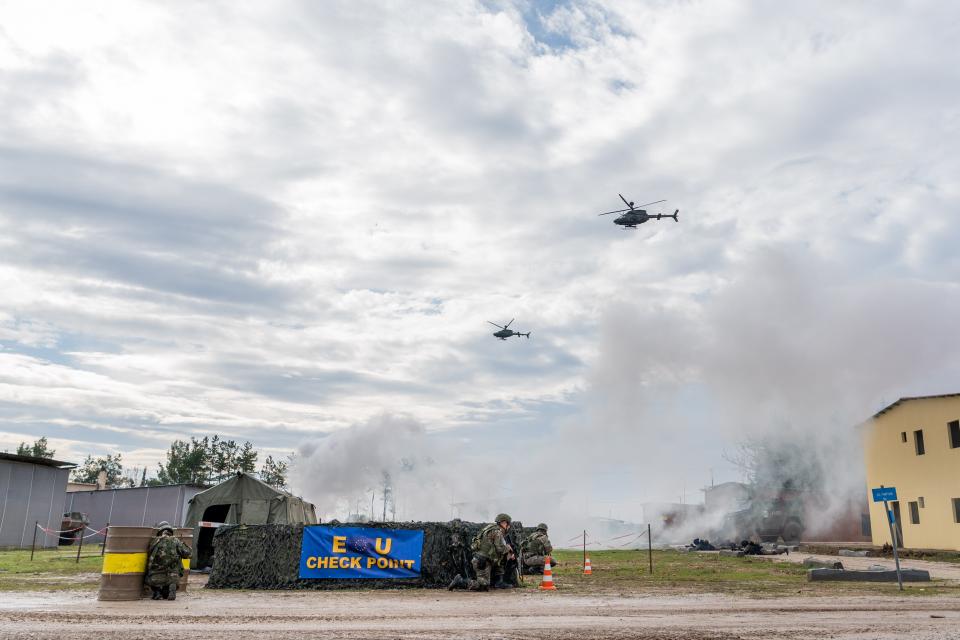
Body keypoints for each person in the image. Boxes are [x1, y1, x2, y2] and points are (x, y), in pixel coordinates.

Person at [448, 513, 514, 591]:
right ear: (503, 523)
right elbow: (500, 549)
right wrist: (509, 550)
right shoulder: (497, 532)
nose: (509, 527)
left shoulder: (490, 528)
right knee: (483, 586)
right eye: (508, 524)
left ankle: (498, 582)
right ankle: (461, 581)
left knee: (500, 559)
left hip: (481, 559)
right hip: (482, 562)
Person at [145, 521, 191, 601]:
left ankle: (157, 592)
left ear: (160, 531)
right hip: (173, 574)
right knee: (167, 589)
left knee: (151, 579)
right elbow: (187, 554)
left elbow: (149, 552)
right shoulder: (176, 540)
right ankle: (171, 587)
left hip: (156, 574)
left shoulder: (156, 541)